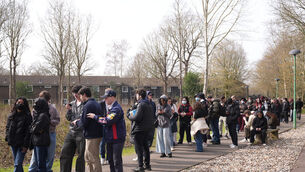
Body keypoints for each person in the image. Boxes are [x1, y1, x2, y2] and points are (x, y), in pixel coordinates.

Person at [87, 88, 126, 172]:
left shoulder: (116, 109)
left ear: (112, 97)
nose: (104, 99)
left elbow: (107, 121)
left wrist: (95, 117)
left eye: (106, 97)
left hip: (117, 139)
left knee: (116, 161)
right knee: (111, 161)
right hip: (110, 138)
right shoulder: (110, 107)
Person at [29, 91, 60, 172]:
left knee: (50, 154)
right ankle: (32, 169)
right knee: (36, 156)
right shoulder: (35, 108)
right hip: (39, 134)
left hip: (50, 133)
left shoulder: (53, 108)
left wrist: (50, 122)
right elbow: (32, 120)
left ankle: (48, 169)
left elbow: (57, 120)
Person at [74, 87, 103, 172]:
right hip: (94, 134)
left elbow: (84, 123)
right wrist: (81, 121)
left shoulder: (88, 105)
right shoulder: (95, 103)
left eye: (80, 96)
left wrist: (77, 123)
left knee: (93, 158)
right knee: (87, 158)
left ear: (84, 95)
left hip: (92, 135)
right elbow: (88, 119)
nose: (80, 98)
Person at [127, 89, 154, 172]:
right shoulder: (149, 104)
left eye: (137, 95)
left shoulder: (141, 104)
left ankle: (140, 166)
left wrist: (129, 116)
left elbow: (137, 117)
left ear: (140, 95)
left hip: (139, 130)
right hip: (147, 129)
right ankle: (147, 165)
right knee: (146, 148)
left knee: (139, 149)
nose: (136, 96)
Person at [60, 85, 85, 172]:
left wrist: (75, 119)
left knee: (81, 157)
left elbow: (82, 119)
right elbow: (68, 117)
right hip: (71, 132)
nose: (75, 95)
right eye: (74, 93)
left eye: (77, 93)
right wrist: (69, 110)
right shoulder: (72, 103)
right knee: (64, 154)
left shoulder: (85, 104)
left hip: (81, 133)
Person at [5, 97, 32, 172]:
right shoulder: (11, 115)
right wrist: (7, 137)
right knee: (18, 164)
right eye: (18, 102)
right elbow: (7, 127)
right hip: (13, 143)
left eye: (22, 103)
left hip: (22, 144)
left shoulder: (28, 116)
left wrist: (25, 145)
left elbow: (29, 132)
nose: (20, 104)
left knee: (17, 163)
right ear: (15, 103)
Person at [29, 98, 51, 172]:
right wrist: (33, 129)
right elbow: (32, 128)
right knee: (39, 164)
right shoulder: (38, 115)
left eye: (36, 103)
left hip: (41, 142)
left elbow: (34, 129)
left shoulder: (43, 116)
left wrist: (33, 129)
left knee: (41, 164)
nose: (34, 105)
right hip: (37, 141)